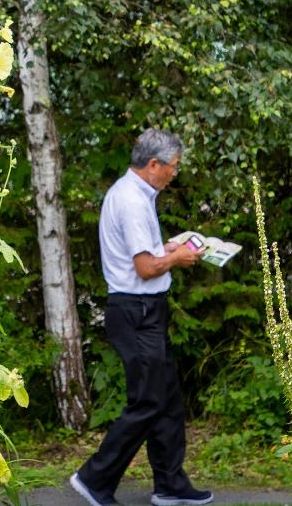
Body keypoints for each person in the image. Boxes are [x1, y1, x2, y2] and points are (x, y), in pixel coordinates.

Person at [69, 128, 213, 506]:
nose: (174, 174)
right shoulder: (132, 200)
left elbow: (144, 254)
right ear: (154, 164)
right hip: (135, 311)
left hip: (147, 309)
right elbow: (147, 268)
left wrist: (170, 247)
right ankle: (94, 478)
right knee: (147, 401)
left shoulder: (136, 194)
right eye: (173, 168)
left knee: (166, 399)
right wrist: (177, 259)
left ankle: (170, 485)